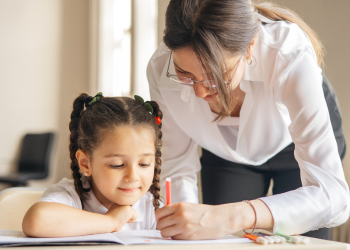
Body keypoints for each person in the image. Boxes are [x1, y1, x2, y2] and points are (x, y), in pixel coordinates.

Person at [147, 0, 349, 240]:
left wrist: (233, 215)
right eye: (185, 76)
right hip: (225, 151)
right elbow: (178, 168)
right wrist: (182, 232)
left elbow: (332, 197)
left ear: (250, 46)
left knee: (303, 238)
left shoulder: (288, 53)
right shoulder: (160, 69)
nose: (200, 93)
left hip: (296, 145)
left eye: (216, 78)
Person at [22, 93, 163, 237]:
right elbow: (36, 221)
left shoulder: (153, 208)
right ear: (85, 163)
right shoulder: (71, 197)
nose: (132, 176)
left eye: (144, 164)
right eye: (117, 165)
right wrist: (111, 221)